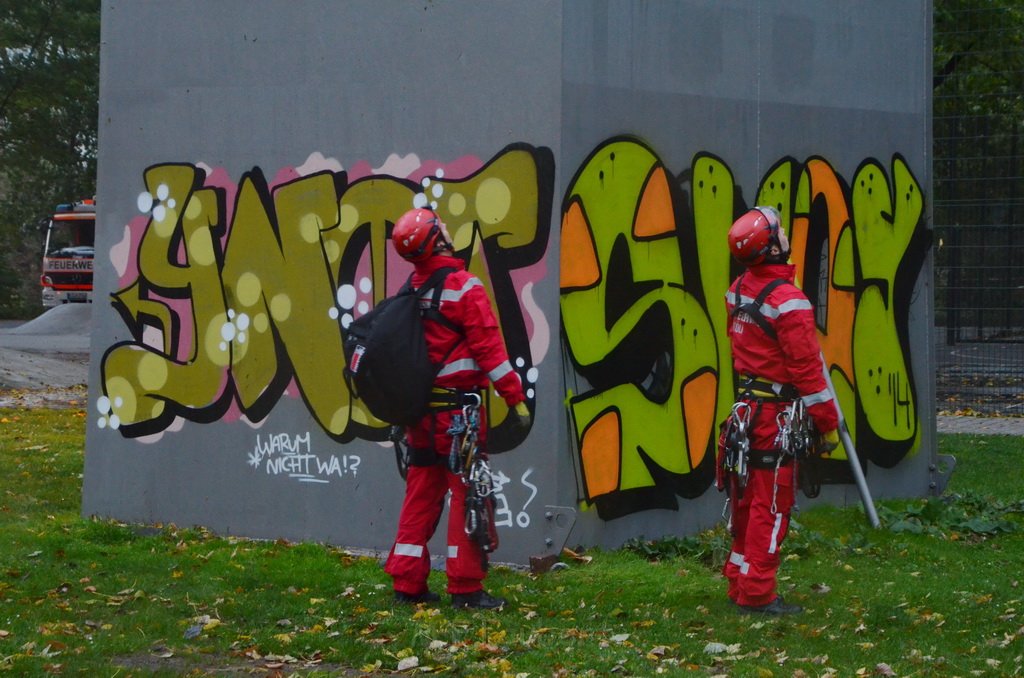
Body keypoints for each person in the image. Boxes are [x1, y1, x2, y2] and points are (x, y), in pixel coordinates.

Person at [384, 206, 531, 610]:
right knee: (468, 496)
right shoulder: (464, 288)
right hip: (458, 418)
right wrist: (515, 399)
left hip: (419, 419)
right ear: (437, 239)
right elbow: (490, 351)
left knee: (419, 496)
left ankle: (407, 583)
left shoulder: (409, 292)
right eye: (441, 228)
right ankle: (465, 588)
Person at [722, 206, 840, 615]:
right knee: (772, 505)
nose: (786, 235)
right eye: (781, 232)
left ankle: (739, 579)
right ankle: (757, 593)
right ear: (772, 246)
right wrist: (828, 422)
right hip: (776, 418)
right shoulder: (790, 303)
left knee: (747, 500)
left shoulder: (737, 291)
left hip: (746, 413)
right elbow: (807, 370)